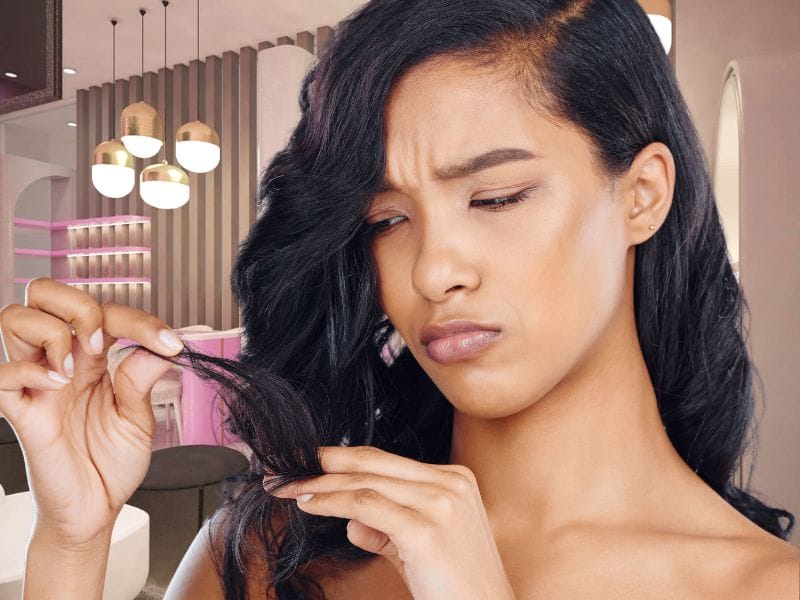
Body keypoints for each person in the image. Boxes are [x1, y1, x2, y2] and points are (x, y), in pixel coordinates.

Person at [1, 0, 798, 598]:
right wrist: (71, 544)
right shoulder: (268, 552)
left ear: (643, 195)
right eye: (388, 219)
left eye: (496, 197)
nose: (431, 272)